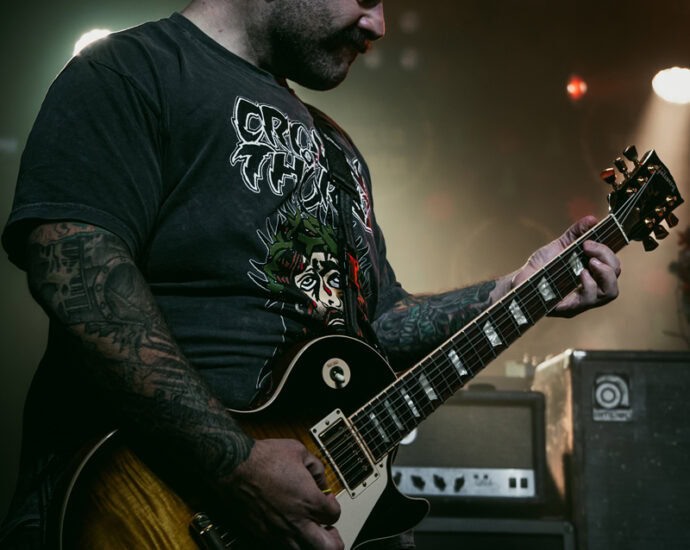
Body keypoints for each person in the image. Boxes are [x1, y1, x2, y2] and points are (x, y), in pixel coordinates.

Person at [0, 1, 621, 548]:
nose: (380, 24)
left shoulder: (336, 146)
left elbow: (380, 324)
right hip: (146, 510)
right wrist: (234, 465)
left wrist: (511, 290)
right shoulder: (131, 70)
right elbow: (75, 273)